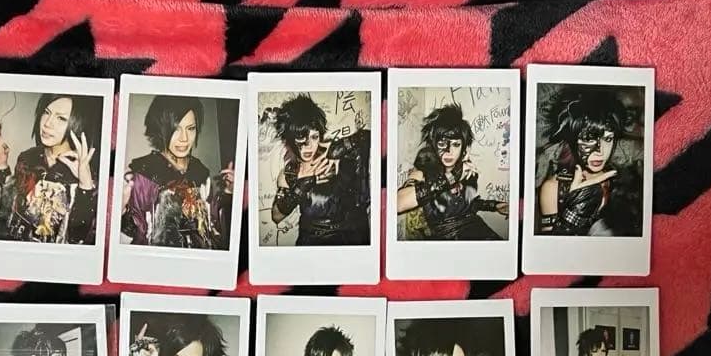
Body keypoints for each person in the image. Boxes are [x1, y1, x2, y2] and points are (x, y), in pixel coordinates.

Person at [120, 95, 234, 249]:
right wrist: (122, 212)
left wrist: (229, 192)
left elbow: (212, 223)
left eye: (190, 128)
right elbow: (136, 232)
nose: (184, 138)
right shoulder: (145, 172)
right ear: (161, 130)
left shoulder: (200, 171)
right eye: (175, 129)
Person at [0, 93, 99, 244]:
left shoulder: (86, 174)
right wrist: (2, 167)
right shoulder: (28, 157)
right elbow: (14, 203)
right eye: (46, 112)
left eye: (61, 118)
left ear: (77, 124)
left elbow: (78, 238)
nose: (47, 123)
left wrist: (85, 186)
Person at [395, 103, 509, 240]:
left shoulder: (466, 169)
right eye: (442, 143)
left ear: (464, 148)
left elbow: (468, 205)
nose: (449, 151)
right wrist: (452, 177)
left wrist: (493, 205)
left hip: (477, 228)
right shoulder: (424, 169)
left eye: (456, 144)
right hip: (448, 238)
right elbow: (398, 203)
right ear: (434, 145)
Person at [269, 94, 370, 246]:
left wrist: (340, 148)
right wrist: (301, 186)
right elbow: (276, 216)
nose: (309, 146)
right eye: (301, 138)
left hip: (349, 239)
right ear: (290, 138)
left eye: (314, 137)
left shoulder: (336, 155)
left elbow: (369, 138)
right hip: (312, 242)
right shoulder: (289, 173)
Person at [537, 87, 629, 236]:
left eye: (607, 139)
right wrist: (571, 217)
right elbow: (550, 248)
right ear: (572, 140)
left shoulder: (622, 180)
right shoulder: (554, 188)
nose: (600, 151)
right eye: (588, 139)